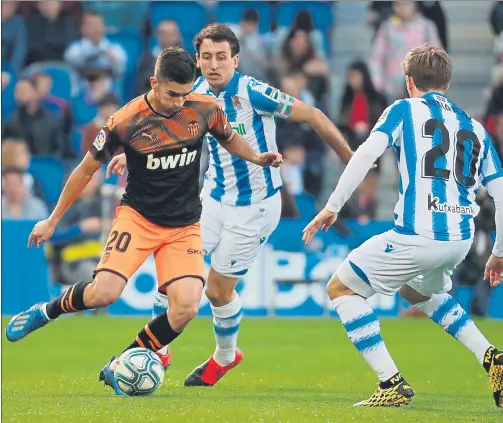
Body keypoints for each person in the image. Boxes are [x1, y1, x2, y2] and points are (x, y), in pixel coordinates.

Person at [5, 48, 282, 396]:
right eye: (171, 94)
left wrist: (256, 157)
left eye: (184, 93)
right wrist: (52, 219)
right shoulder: (127, 120)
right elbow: (84, 171)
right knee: (103, 294)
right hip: (137, 218)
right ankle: (46, 310)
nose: (179, 102)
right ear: (154, 82)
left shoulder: (205, 109)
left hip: (183, 225)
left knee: (185, 308)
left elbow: (230, 139)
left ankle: (120, 362)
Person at [108, 24, 353, 387]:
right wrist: (132, 157)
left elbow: (313, 115)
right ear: (197, 60)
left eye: (221, 57)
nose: (213, 64)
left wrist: (351, 157)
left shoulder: (253, 91)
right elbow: (163, 130)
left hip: (255, 209)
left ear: (235, 60)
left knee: (216, 291)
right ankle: (158, 349)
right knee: (170, 277)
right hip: (211, 199)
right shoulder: (192, 95)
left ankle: (225, 356)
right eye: (206, 57)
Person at [302, 44, 503, 407]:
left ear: (409, 81)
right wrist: (499, 252)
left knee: (341, 289)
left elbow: (365, 154)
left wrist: (332, 207)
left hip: (418, 233)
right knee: (417, 292)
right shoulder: (475, 127)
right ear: (447, 81)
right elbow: (501, 193)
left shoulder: (403, 110)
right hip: (459, 237)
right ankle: (492, 358)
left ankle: (390, 383)